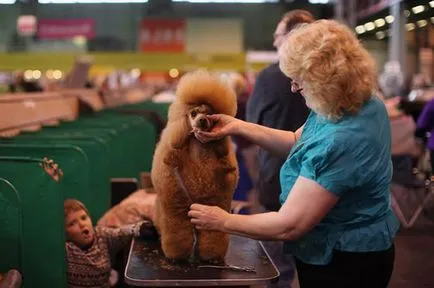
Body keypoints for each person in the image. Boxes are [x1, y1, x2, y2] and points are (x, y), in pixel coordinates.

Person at [189, 20, 399, 288]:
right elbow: (297, 140)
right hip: (360, 248)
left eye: (298, 81)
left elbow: (289, 226)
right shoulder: (359, 101)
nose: (293, 88)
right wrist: (238, 126)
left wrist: (221, 220)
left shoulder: (341, 141)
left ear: (323, 80)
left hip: (346, 263)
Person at [245, 9, 314, 287]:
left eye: (277, 36)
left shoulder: (269, 78)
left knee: (278, 271)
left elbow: (254, 130)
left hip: (279, 187)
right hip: (323, 189)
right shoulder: (337, 86)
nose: (274, 43)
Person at [64, 199, 158, 288]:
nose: (82, 224)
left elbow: (120, 233)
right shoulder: (66, 249)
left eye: (84, 218)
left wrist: (139, 228)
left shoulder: (102, 235)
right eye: (72, 223)